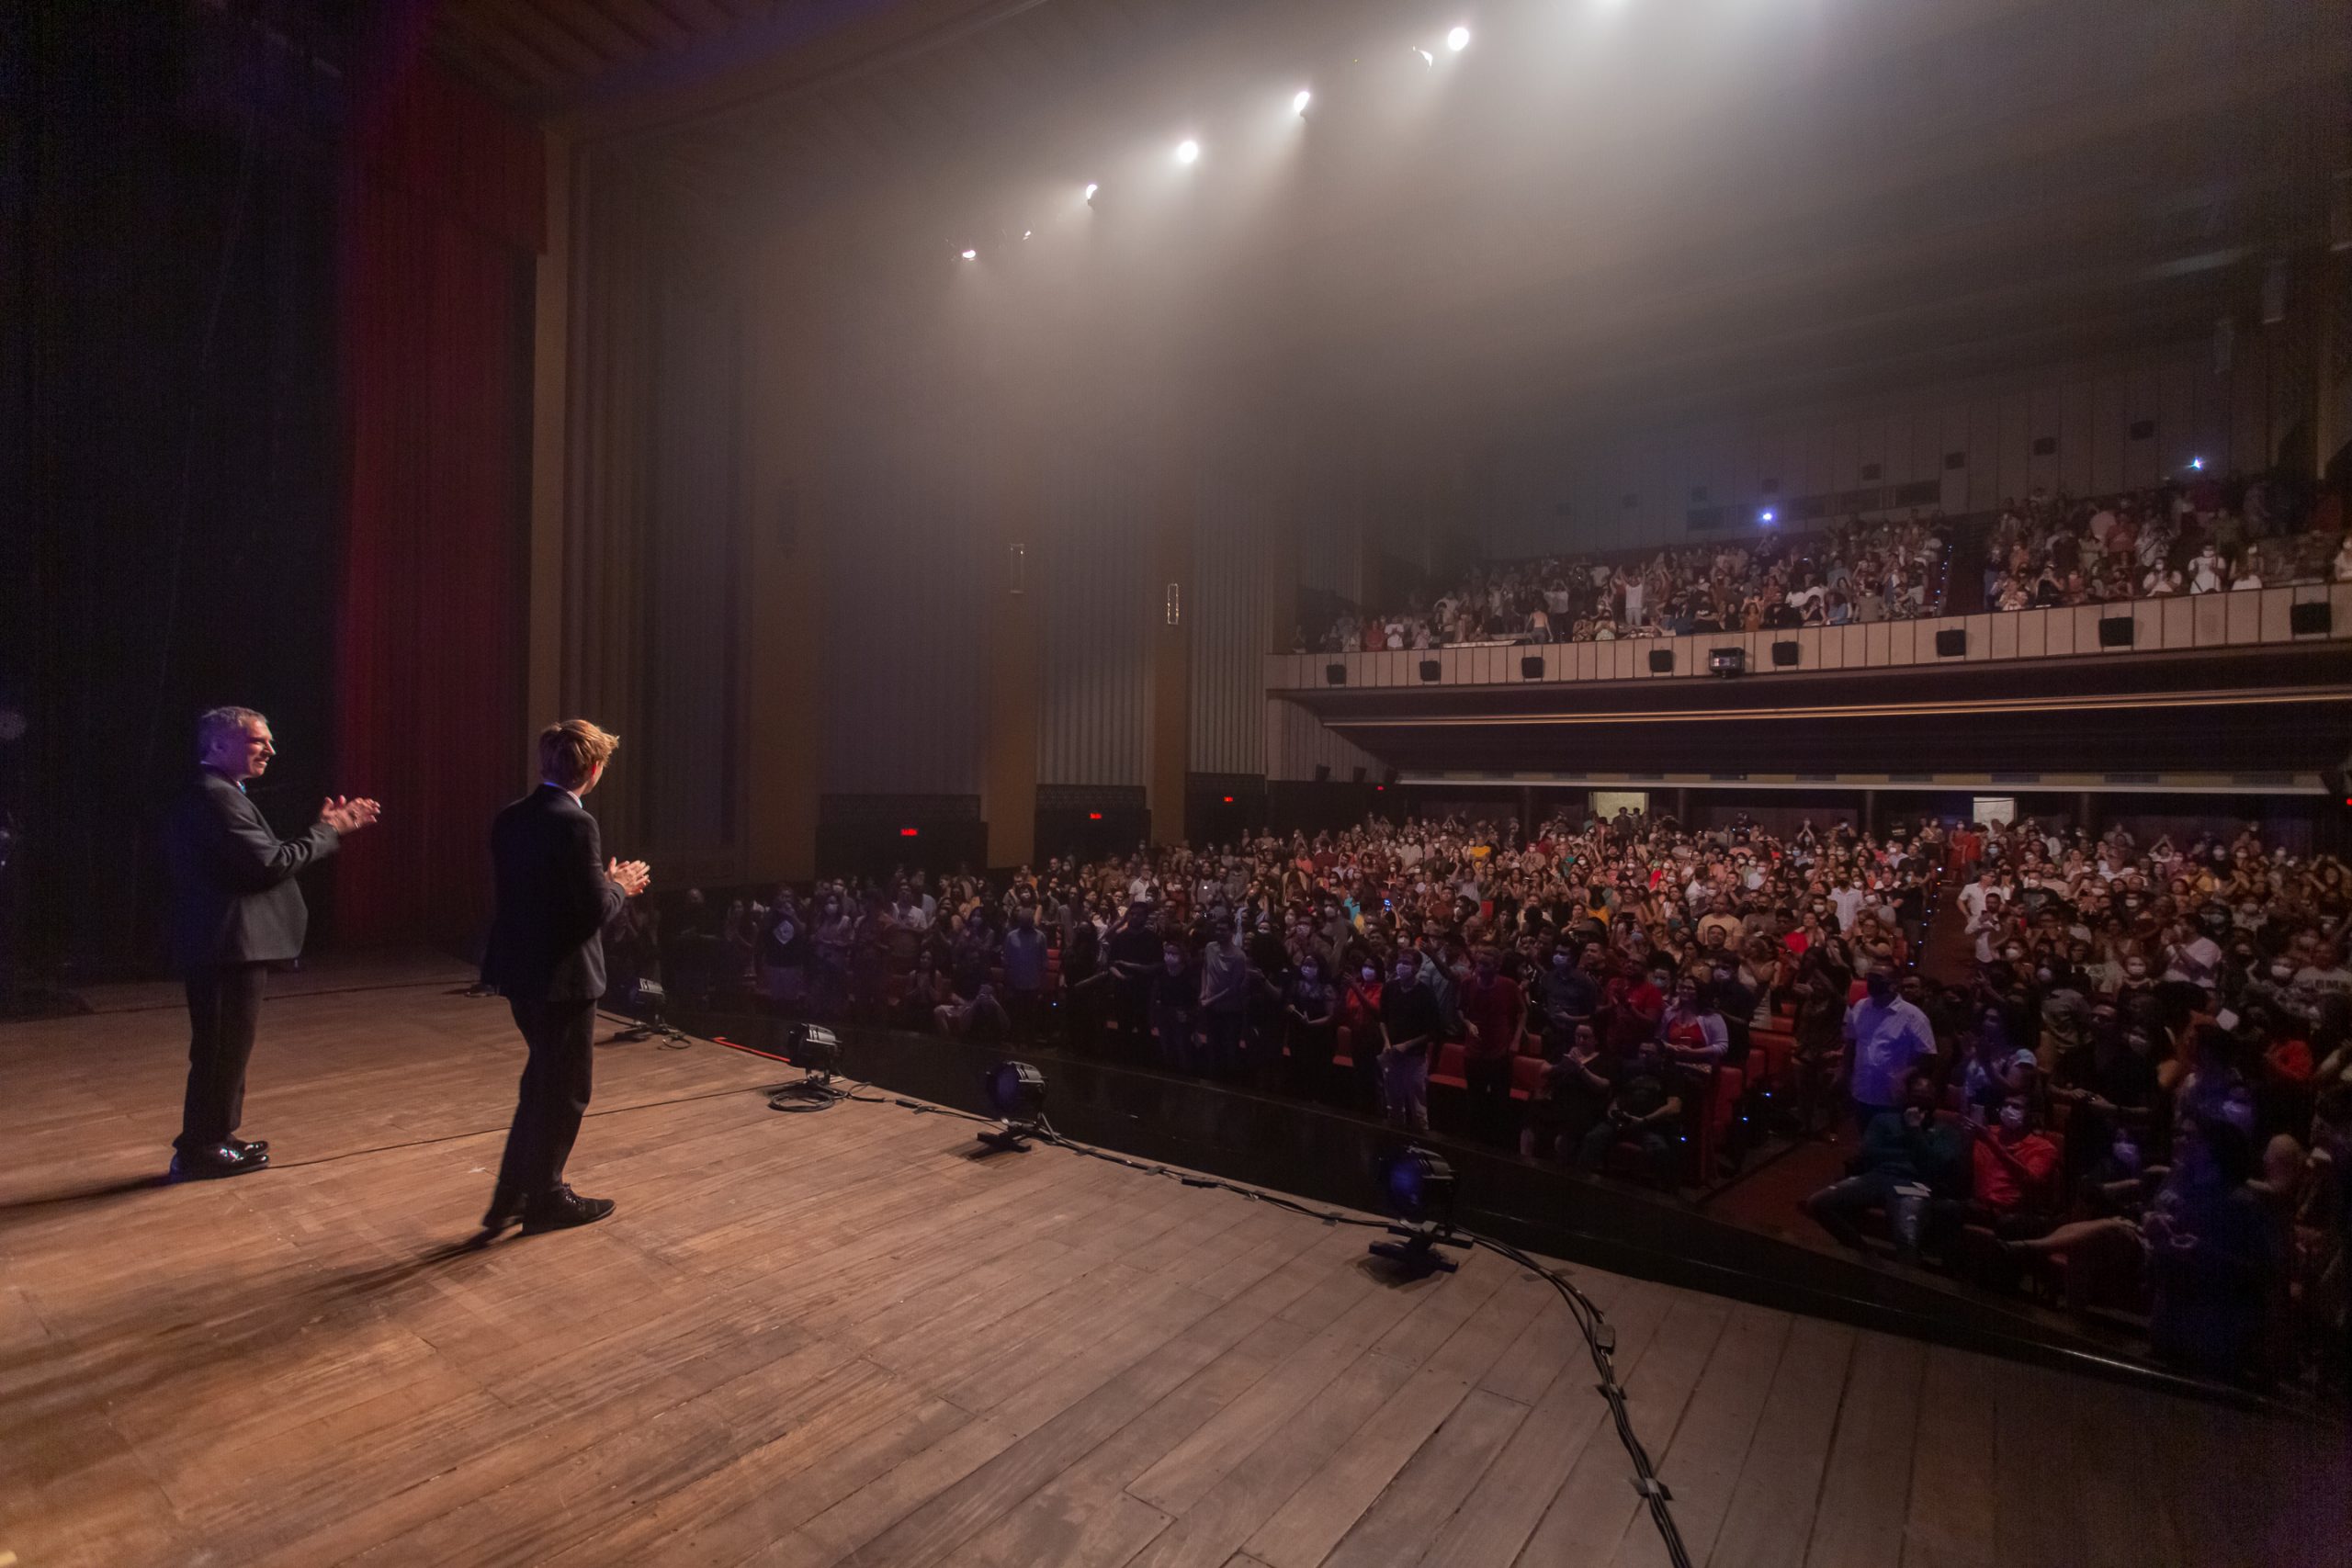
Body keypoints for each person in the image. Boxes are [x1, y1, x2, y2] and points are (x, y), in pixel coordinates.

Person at [163, 706, 380, 1179]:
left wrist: (324, 830)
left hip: (230, 944)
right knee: (221, 1048)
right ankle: (201, 1148)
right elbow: (269, 865)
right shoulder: (213, 795)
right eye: (258, 741)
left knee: (228, 1047)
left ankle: (218, 1136)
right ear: (219, 744)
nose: (270, 750)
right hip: (226, 945)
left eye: (269, 741)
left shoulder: (223, 792)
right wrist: (330, 831)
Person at [477, 720, 650, 1240]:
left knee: (540, 1086)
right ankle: (545, 1199)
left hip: (521, 972)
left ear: (543, 763)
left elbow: (540, 898)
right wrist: (619, 886)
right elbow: (591, 911)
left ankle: (512, 1197)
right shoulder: (577, 824)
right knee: (566, 1091)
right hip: (565, 979)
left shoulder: (510, 818)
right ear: (594, 770)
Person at [1840, 967, 1938, 1135]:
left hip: (1892, 1098)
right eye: (1870, 978)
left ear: (1893, 985)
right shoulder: (1860, 1007)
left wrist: (1904, 1076)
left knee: (1890, 1144)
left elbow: (1928, 1056)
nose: (1872, 983)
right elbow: (1851, 1044)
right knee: (1866, 1140)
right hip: (1862, 1090)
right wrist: (1845, 1073)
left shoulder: (1912, 1015)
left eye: (1878, 979)